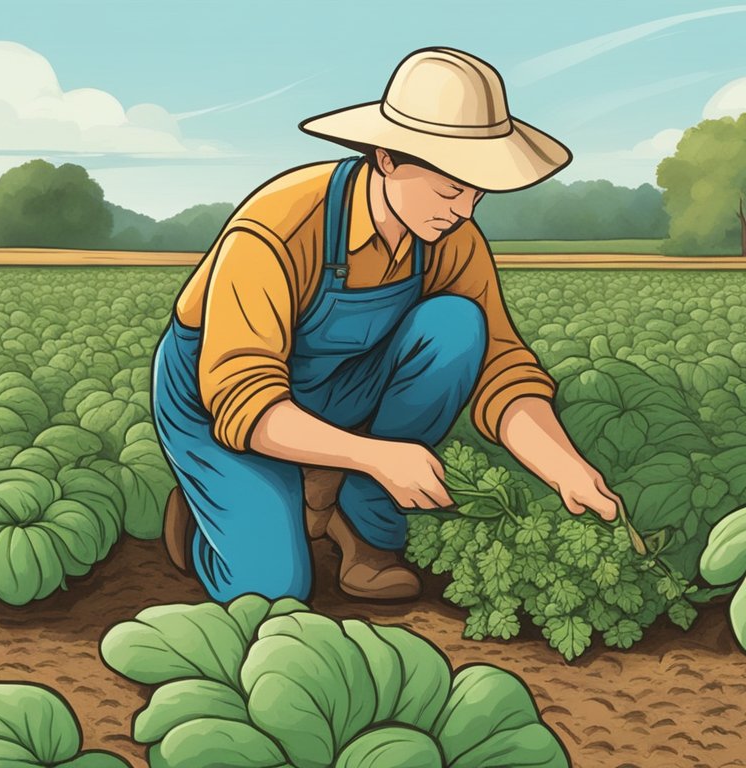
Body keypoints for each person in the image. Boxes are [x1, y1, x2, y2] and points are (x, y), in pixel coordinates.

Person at [151, 46, 625, 604]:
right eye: (450, 188)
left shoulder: (452, 238)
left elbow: (501, 366)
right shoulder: (277, 227)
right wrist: (378, 455)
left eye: (477, 192)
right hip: (220, 405)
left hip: (341, 385)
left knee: (457, 326)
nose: (464, 210)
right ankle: (215, 499)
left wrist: (563, 466)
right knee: (272, 591)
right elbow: (245, 398)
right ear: (386, 158)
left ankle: (366, 530)